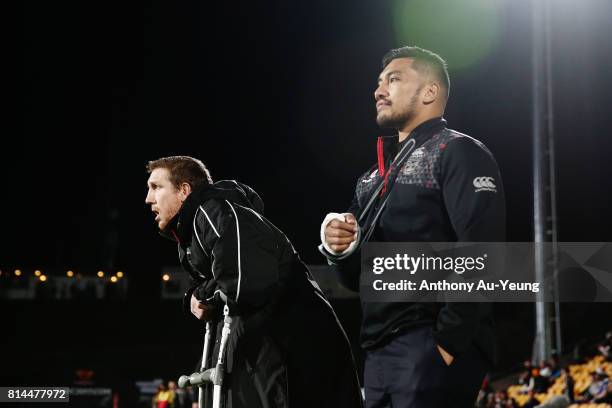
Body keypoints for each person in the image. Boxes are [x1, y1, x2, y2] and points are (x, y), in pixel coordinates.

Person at [319, 46, 506, 407]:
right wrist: (338, 250)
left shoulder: (458, 151)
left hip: (430, 340)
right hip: (377, 349)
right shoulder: (371, 179)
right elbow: (353, 279)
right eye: (379, 82)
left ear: (429, 92)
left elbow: (483, 249)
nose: (379, 90)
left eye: (394, 79)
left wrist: (447, 343)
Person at [145, 156, 363, 408]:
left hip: (299, 353)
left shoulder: (214, 210)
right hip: (272, 353)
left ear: (184, 190)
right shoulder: (194, 233)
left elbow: (243, 283)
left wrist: (200, 296)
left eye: (156, 187)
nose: (148, 198)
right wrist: (196, 295)